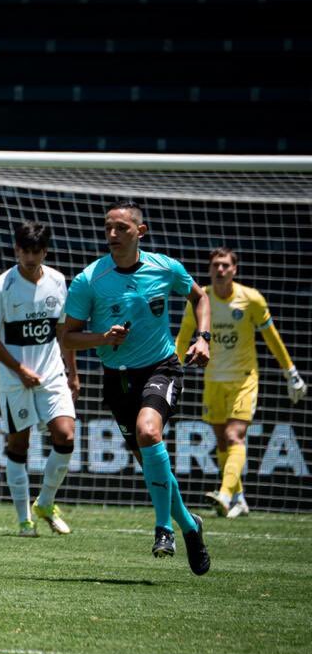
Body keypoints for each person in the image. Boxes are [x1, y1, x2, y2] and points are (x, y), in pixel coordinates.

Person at [58, 198, 212, 575]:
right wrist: (102, 339)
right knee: (151, 464)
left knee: (148, 431)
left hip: (161, 368)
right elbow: (66, 338)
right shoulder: (89, 279)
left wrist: (203, 337)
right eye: (108, 227)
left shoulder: (165, 267)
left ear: (140, 231)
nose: (112, 234)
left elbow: (200, 297)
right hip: (117, 380)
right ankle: (190, 526)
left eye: (121, 228)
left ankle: (164, 530)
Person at [173, 246, 305, 517]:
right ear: (210, 269)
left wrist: (290, 372)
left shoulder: (251, 299)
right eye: (215, 265)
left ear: (234, 269)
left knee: (235, 435)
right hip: (213, 379)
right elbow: (184, 335)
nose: (220, 270)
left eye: (225, 265)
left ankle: (224, 494)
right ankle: (240, 498)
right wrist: (170, 371)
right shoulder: (201, 300)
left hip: (244, 379)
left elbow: (271, 337)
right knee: (221, 441)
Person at [0, 222, 79, 537]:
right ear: (16, 250)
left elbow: (64, 331)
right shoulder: (1, 285)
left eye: (36, 251)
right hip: (14, 378)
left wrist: (72, 370)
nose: (30, 257)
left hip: (51, 374)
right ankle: (24, 520)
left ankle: (45, 502)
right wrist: (19, 368)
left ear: (44, 252)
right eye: (25, 251)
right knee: (19, 444)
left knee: (66, 436)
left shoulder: (59, 281)